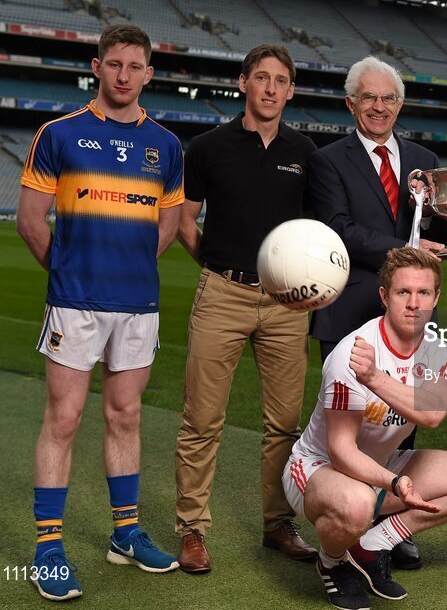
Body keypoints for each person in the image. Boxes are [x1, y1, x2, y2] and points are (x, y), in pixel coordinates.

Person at [17, 23, 183, 601]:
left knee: (126, 415)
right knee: (63, 419)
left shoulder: (166, 145)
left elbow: (167, 227)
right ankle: (48, 549)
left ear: (149, 74)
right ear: (97, 67)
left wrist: (125, 268)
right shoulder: (58, 134)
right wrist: (69, 273)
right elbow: (30, 221)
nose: (124, 75)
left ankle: (125, 534)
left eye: (135, 67)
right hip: (76, 303)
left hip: (137, 305)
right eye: (114, 64)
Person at [283, 247, 447, 610]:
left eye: (423, 293)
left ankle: (371, 545)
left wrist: (374, 378)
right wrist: (393, 483)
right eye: (403, 292)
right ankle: (332, 562)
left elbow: (433, 414)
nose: (413, 303)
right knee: (358, 503)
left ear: (436, 298)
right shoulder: (352, 353)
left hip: (381, 465)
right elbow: (341, 450)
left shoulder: (442, 352)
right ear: (384, 296)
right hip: (319, 469)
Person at [174, 44, 317, 573]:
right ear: (243, 83)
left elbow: (314, 233)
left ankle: (278, 523)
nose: (270, 88)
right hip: (223, 294)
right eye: (261, 78)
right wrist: (217, 267)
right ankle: (192, 529)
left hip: (285, 305)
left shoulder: (306, 152)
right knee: (201, 419)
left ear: (291, 91)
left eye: (280, 80)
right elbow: (186, 221)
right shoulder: (208, 147)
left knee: (285, 424)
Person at [309, 55, 446, 569]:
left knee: (404, 421)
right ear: (351, 104)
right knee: (347, 424)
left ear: (400, 105)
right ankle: (347, 520)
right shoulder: (328, 160)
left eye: (389, 98)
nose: (379, 107)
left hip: (410, 314)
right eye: (369, 97)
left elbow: (442, 228)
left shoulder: (424, 159)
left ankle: (392, 525)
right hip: (351, 306)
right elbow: (338, 228)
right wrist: (406, 250)